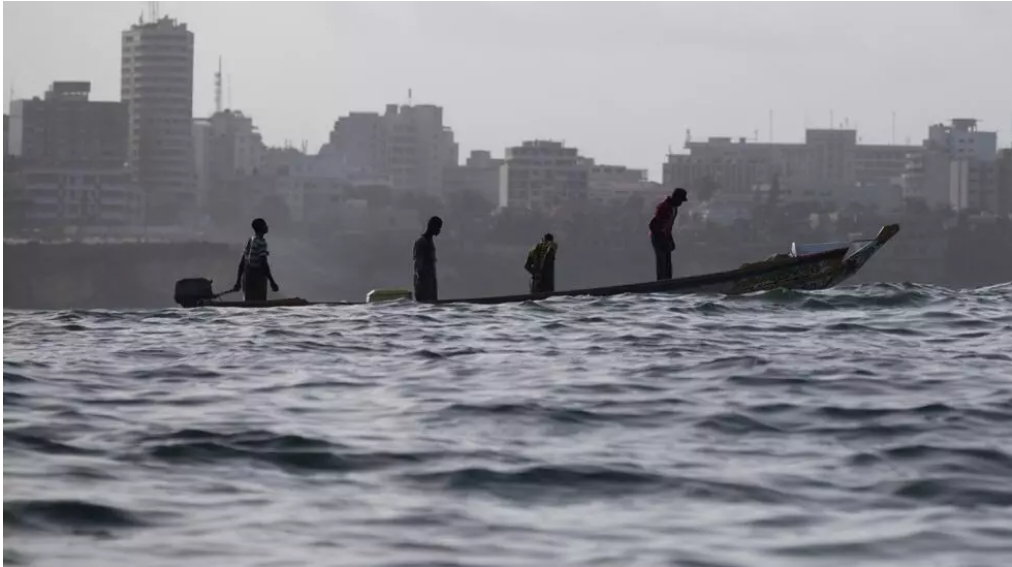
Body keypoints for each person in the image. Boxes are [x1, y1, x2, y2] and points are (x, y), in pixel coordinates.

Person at [232, 217, 279, 302]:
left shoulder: (250, 240)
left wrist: (238, 282)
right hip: (257, 278)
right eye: (265, 225)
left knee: (248, 303)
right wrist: (272, 282)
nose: (267, 226)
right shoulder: (261, 242)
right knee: (259, 306)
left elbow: (242, 262)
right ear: (262, 228)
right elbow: (264, 264)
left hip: (247, 277)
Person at [649, 187, 688, 280]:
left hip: (665, 236)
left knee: (667, 260)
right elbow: (653, 225)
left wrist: (670, 240)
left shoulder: (674, 208)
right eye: (680, 200)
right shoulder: (664, 207)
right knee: (662, 260)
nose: (681, 203)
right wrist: (662, 240)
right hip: (657, 237)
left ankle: (667, 280)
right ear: (675, 198)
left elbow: (668, 227)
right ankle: (661, 282)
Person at [413, 216, 442, 302]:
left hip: (430, 284)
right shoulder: (421, 243)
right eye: (438, 227)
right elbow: (418, 266)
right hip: (424, 285)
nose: (439, 230)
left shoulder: (429, 242)